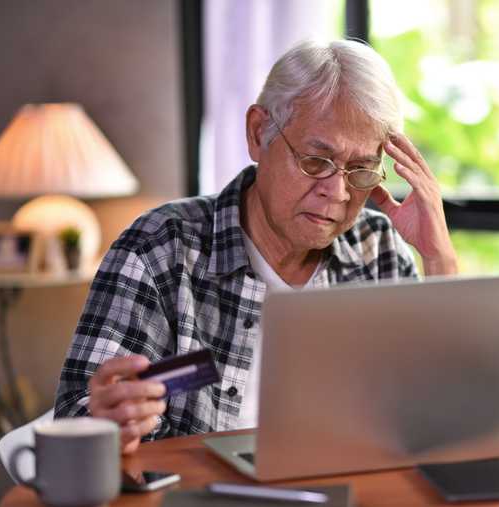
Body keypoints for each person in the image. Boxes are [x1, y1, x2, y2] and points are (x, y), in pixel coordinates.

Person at [54, 39, 458, 454]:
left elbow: (443, 421)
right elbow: (75, 421)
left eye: (360, 170)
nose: (337, 193)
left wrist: (437, 257)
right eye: (316, 161)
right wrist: (108, 422)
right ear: (257, 132)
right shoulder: (160, 248)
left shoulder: (378, 248)